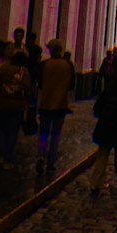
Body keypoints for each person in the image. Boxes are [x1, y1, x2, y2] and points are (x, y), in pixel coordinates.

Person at [89, 52, 117, 197]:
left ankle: (95, 184)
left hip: (107, 123)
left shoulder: (111, 81)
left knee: (102, 154)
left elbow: (100, 104)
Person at [35, 39, 72, 177]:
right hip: (61, 105)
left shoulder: (44, 64)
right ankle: (51, 163)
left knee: (44, 133)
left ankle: (41, 155)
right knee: (56, 135)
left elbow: (40, 84)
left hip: (45, 104)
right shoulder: (68, 65)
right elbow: (72, 85)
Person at [0, 47, 31, 170]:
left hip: (2, 103)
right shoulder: (23, 72)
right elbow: (27, 88)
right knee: (12, 132)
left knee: (2, 130)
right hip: (17, 105)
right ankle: (7, 157)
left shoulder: (3, 69)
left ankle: (0, 155)